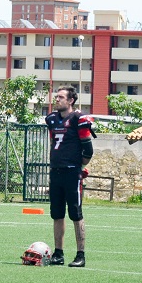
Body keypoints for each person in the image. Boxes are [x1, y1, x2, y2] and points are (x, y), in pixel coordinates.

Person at [45, 85, 95, 267]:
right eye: (57, 96)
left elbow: (88, 150)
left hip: (72, 173)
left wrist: (79, 167)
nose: (57, 99)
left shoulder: (78, 119)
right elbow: (54, 142)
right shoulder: (52, 119)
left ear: (71, 100)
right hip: (56, 171)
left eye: (61, 97)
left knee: (75, 213)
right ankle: (58, 254)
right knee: (57, 214)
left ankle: (80, 255)